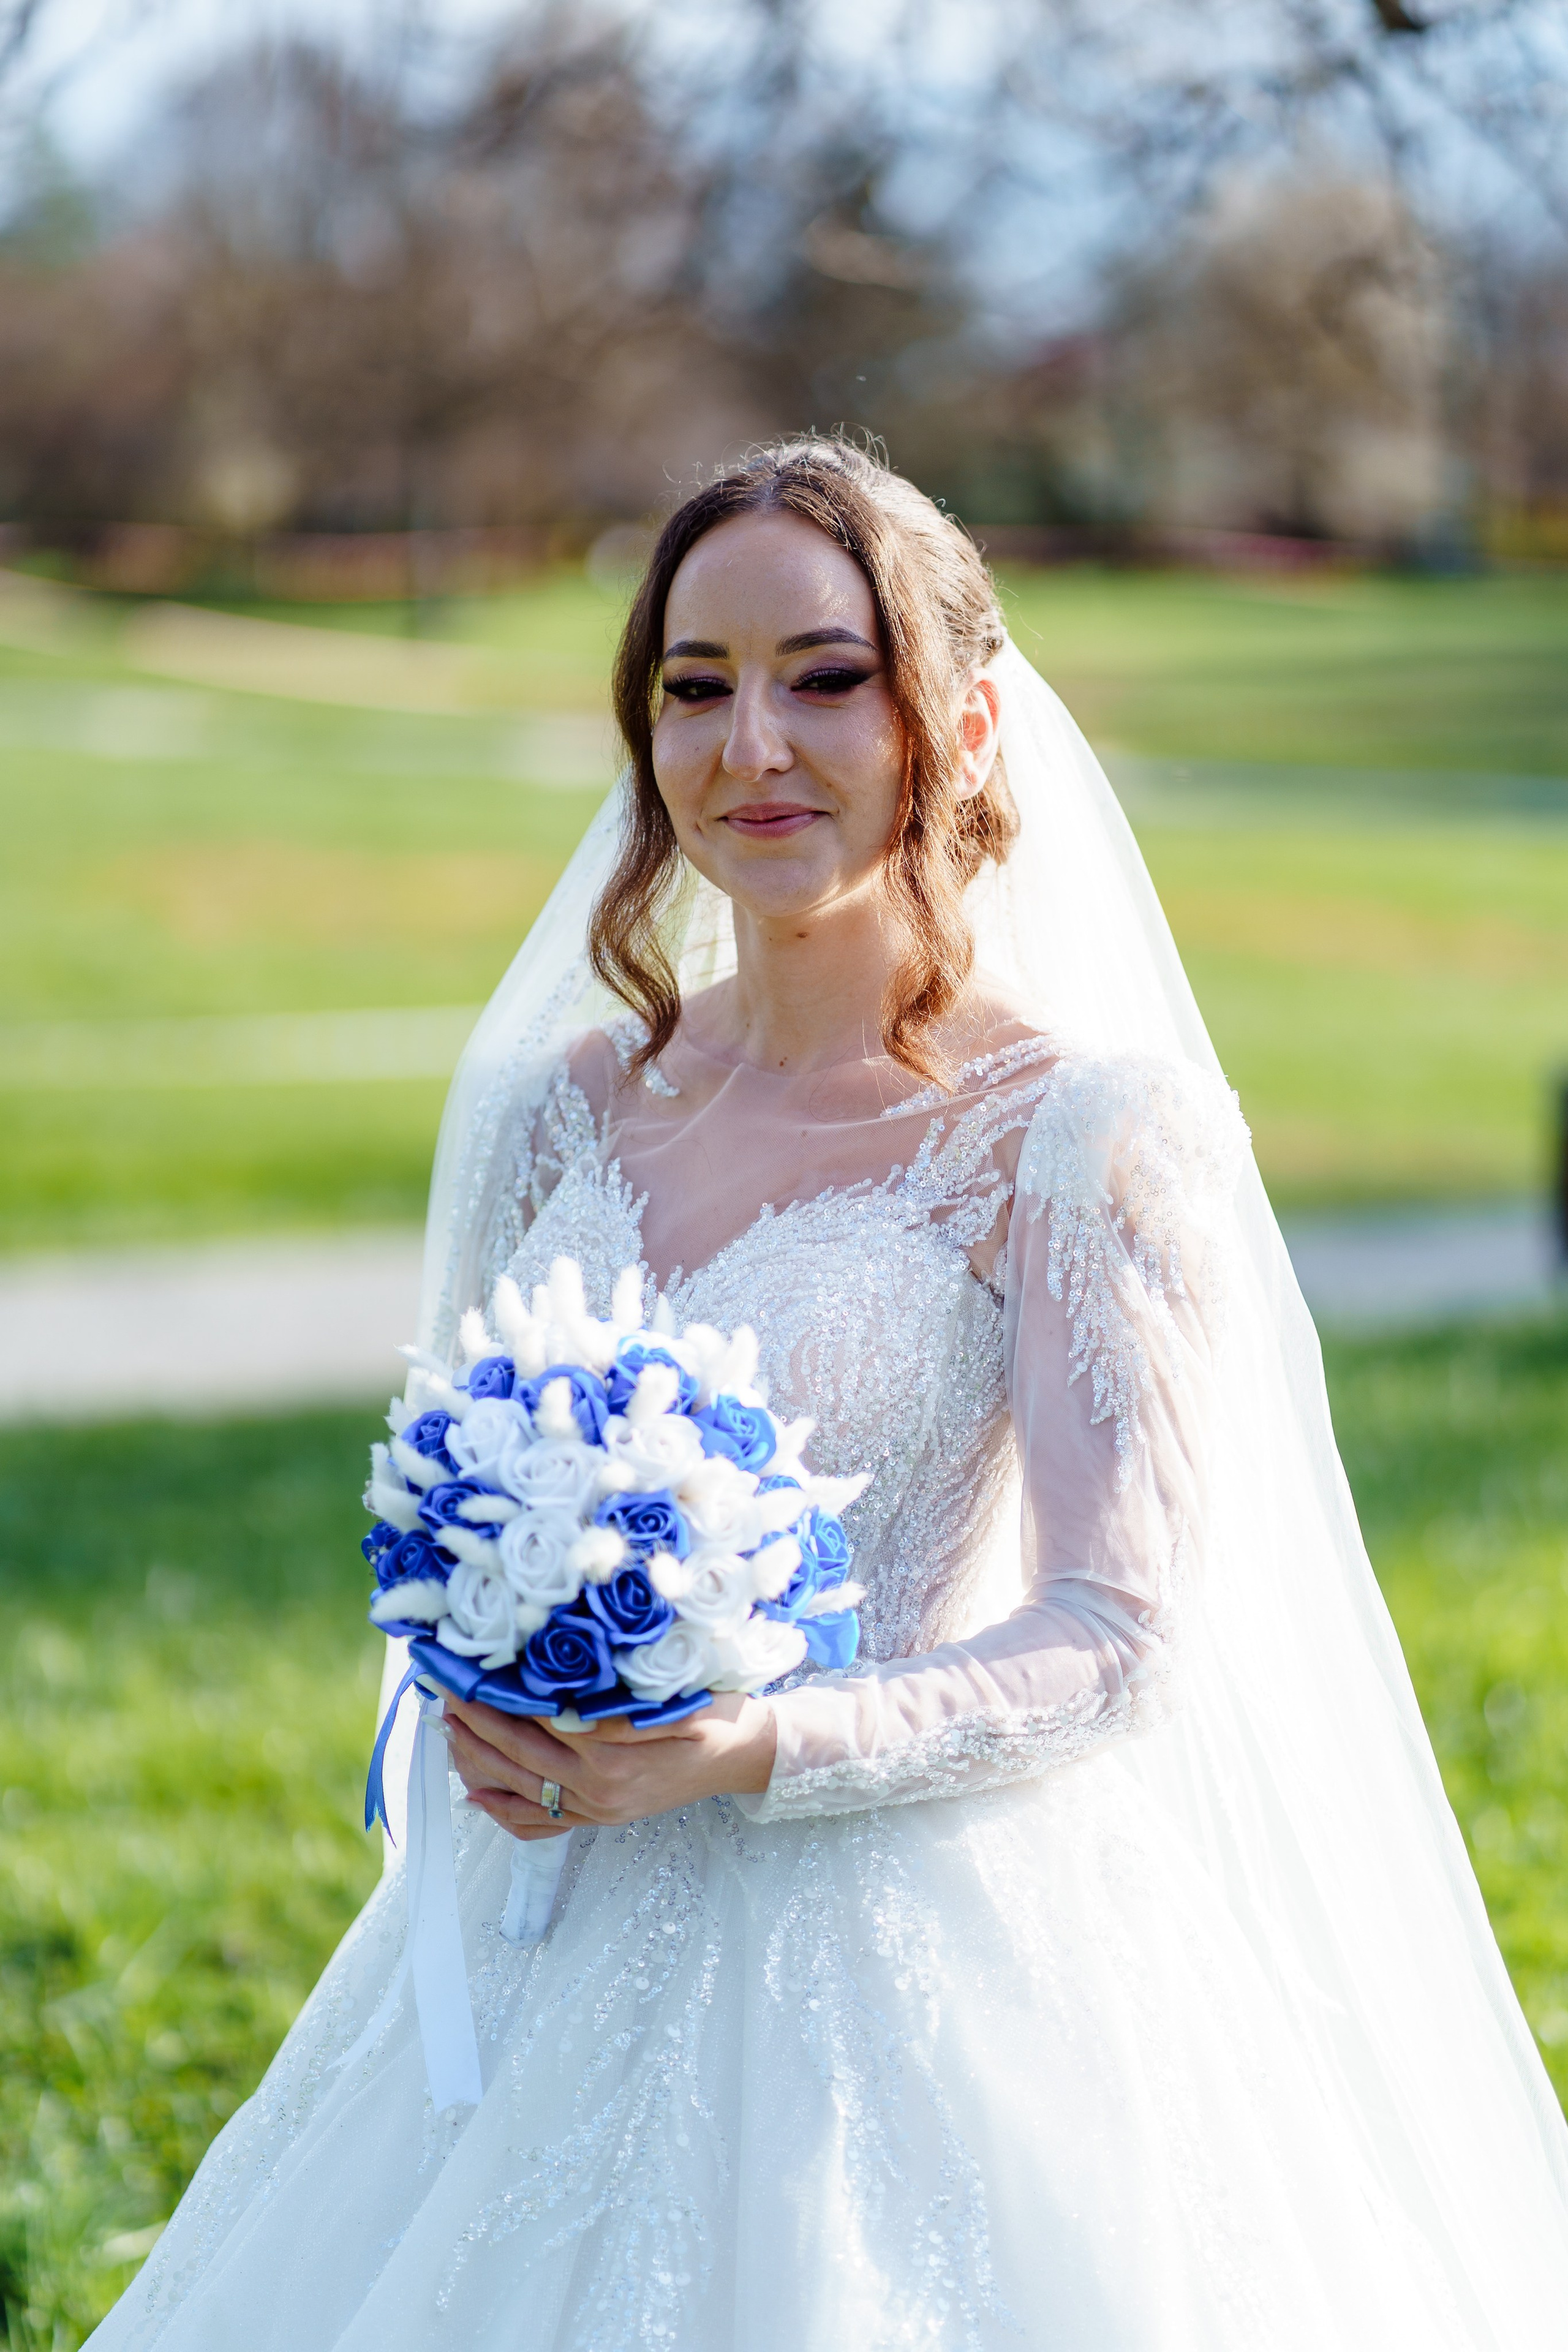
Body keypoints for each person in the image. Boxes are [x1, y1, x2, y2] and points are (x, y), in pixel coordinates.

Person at [89, 440, 1568, 2351]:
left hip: (913, 1942)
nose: (750, 745)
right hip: (562, 1908)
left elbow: (1119, 1634)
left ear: (953, 719)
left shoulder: (1075, 1132)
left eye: (822, 675)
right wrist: (494, 1686)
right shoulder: (565, 1106)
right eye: (694, 687)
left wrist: (754, 1747)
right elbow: (452, 1504)